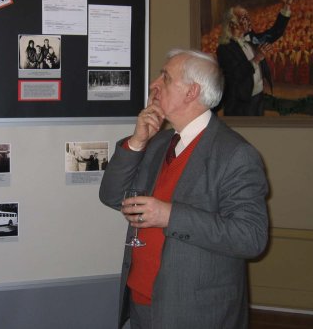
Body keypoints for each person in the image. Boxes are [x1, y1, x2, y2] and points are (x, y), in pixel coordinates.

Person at [99, 49, 269, 328]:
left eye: (165, 77)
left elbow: (251, 237)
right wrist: (137, 142)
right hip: (140, 300)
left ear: (192, 92)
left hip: (195, 311)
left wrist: (170, 216)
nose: (154, 84)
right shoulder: (158, 143)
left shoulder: (235, 154)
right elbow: (112, 196)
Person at [216, 0, 295, 115]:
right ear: (232, 24)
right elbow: (236, 75)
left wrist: (286, 6)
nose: (249, 20)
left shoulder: (251, 38)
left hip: (258, 98)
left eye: (248, 16)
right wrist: (256, 58)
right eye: (244, 18)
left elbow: (274, 33)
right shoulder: (224, 49)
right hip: (240, 104)